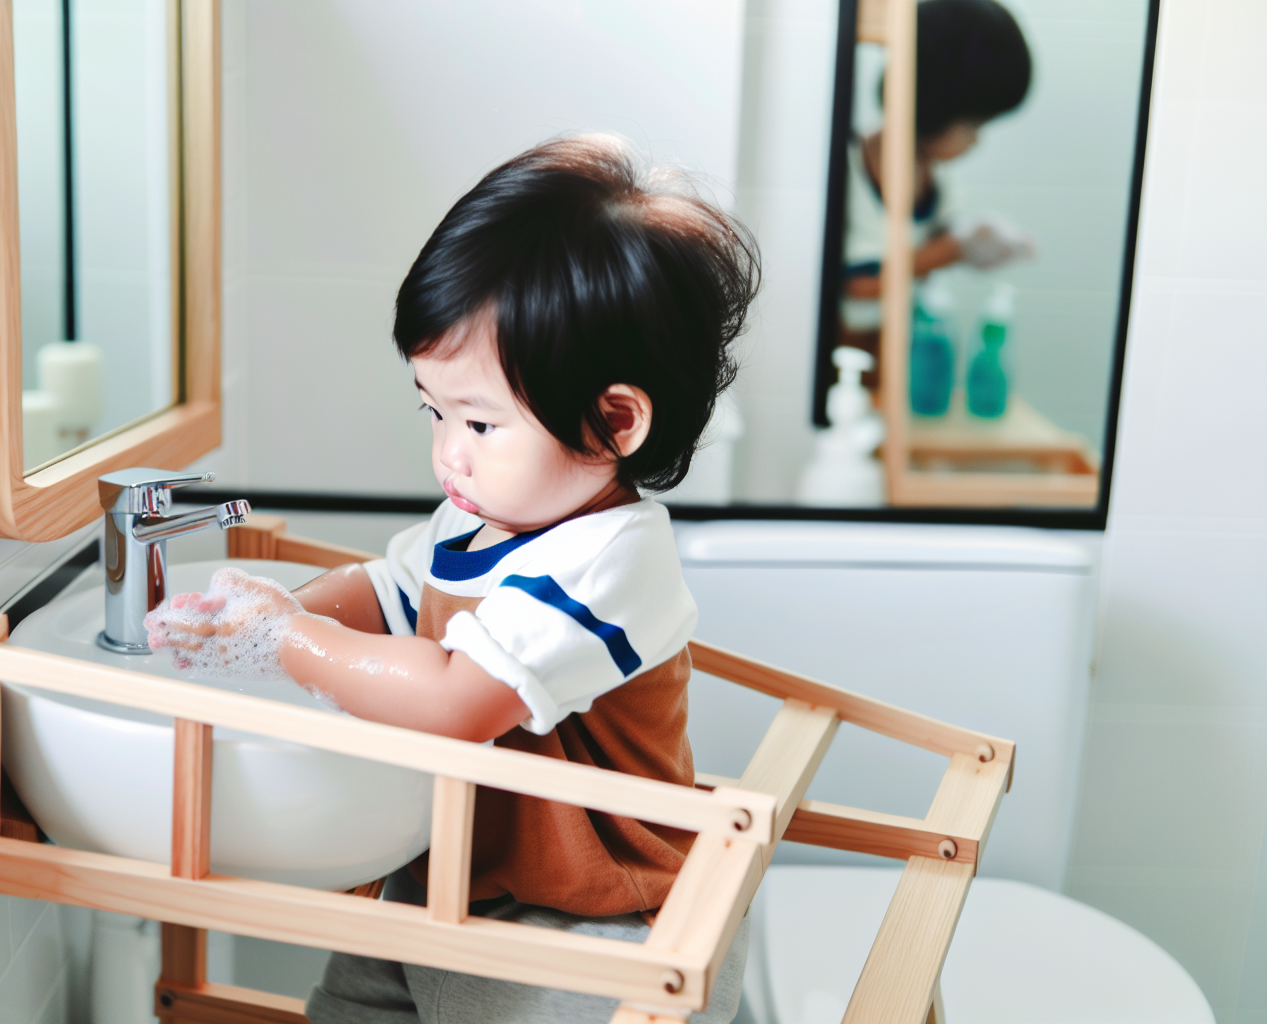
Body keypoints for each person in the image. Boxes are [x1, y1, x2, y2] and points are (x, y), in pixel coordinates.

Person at [143, 134, 758, 1023]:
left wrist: (287, 638)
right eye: (432, 410)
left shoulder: (614, 556)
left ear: (615, 421)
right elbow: (391, 594)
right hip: (450, 872)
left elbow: (459, 700)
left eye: (477, 422)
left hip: (594, 924)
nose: (445, 454)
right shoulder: (482, 519)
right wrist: (267, 610)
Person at [841, 0, 1035, 381]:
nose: (976, 142)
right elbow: (858, 285)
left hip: (894, 354)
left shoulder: (940, 187)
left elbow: (931, 256)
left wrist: (979, 245)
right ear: (935, 106)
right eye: (975, 125)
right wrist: (951, 251)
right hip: (846, 353)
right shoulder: (849, 169)